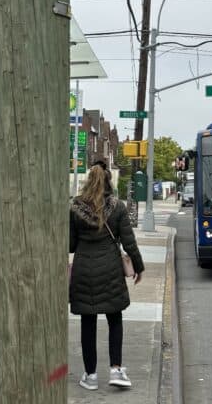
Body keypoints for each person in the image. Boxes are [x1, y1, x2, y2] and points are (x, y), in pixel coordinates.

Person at [70, 161, 145, 391]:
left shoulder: (74, 207)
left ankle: (91, 375)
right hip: (111, 268)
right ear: (108, 181)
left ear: (88, 181)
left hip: (84, 269)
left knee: (87, 322)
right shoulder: (118, 207)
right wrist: (138, 267)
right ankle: (116, 369)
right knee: (115, 318)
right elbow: (128, 241)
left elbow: (71, 245)